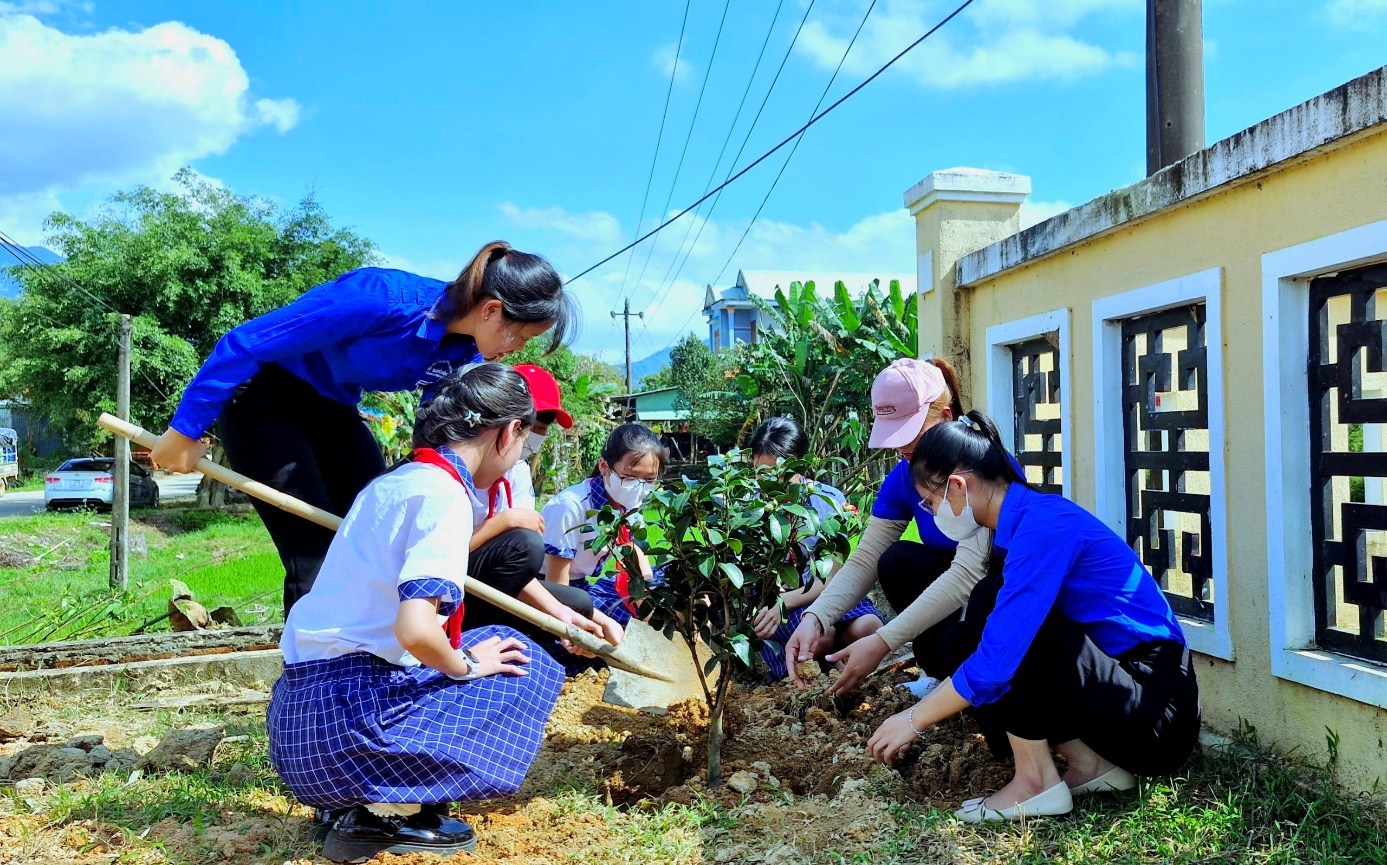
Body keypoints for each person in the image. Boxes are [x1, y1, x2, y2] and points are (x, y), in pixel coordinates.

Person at [150, 241, 575, 614]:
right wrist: (184, 431)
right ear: (492, 310)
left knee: (375, 526)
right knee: (314, 549)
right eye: (520, 337)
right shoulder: (380, 300)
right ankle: (310, 682)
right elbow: (245, 343)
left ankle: (375, 654)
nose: (517, 350)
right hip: (264, 398)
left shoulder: (465, 356)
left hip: (334, 409)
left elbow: (436, 433)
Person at [267, 364, 565, 862]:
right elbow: (415, 628)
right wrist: (469, 666)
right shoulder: (445, 495)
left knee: (482, 640)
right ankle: (400, 814)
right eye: (524, 439)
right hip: (349, 730)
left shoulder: (392, 483)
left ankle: (357, 813)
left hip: (299, 726)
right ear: (510, 432)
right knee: (521, 663)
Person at [865, 412, 1200, 822]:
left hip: (1156, 716)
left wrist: (912, 720)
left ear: (957, 485)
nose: (933, 514)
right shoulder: (1023, 523)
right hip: (1125, 693)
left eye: (931, 503)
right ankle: (1094, 767)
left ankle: (1036, 782)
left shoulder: (1044, 527)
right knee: (969, 631)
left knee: (994, 612)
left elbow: (998, 661)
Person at [784, 357, 995, 697]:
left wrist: (883, 641)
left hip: (1001, 595)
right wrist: (816, 617)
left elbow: (971, 573)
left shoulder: (983, 470)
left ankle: (973, 678)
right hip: (957, 595)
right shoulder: (904, 475)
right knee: (897, 560)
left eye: (909, 434)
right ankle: (944, 673)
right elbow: (867, 558)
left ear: (944, 418)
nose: (901, 447)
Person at [461, 363, 624, 655]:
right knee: (524, 542)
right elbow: (511, 549)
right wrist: (503, 521)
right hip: (456, 577)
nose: (533, 439)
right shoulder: (457, 471)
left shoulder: (518, 471)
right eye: (531, 428)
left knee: (580, 603)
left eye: (541, 431)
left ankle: (509, 630)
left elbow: (516, 564)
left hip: (496, 578)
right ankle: (471, 635)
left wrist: (572, 617)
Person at [747, 417, 884, 681]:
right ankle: (823, 667)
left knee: (871, 627)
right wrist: (775, 603)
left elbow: (832, 578)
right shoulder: (747, 507)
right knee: (822, 635)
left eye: (782, 473)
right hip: (774, 605)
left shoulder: (829, 501)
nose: (772, 484)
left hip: (822, 594)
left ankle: (833, 663)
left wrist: (785, 602)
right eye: (763, 473)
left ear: (804, 465)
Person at [541, 423, 663, 628]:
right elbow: (557, 587)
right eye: (630, 477)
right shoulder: (571, 507)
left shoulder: (629, 505)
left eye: (649, 479)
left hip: (582, 588)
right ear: (604, 466)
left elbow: (633, 552)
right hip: (551, 592)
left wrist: (651, 604)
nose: (639, 487)